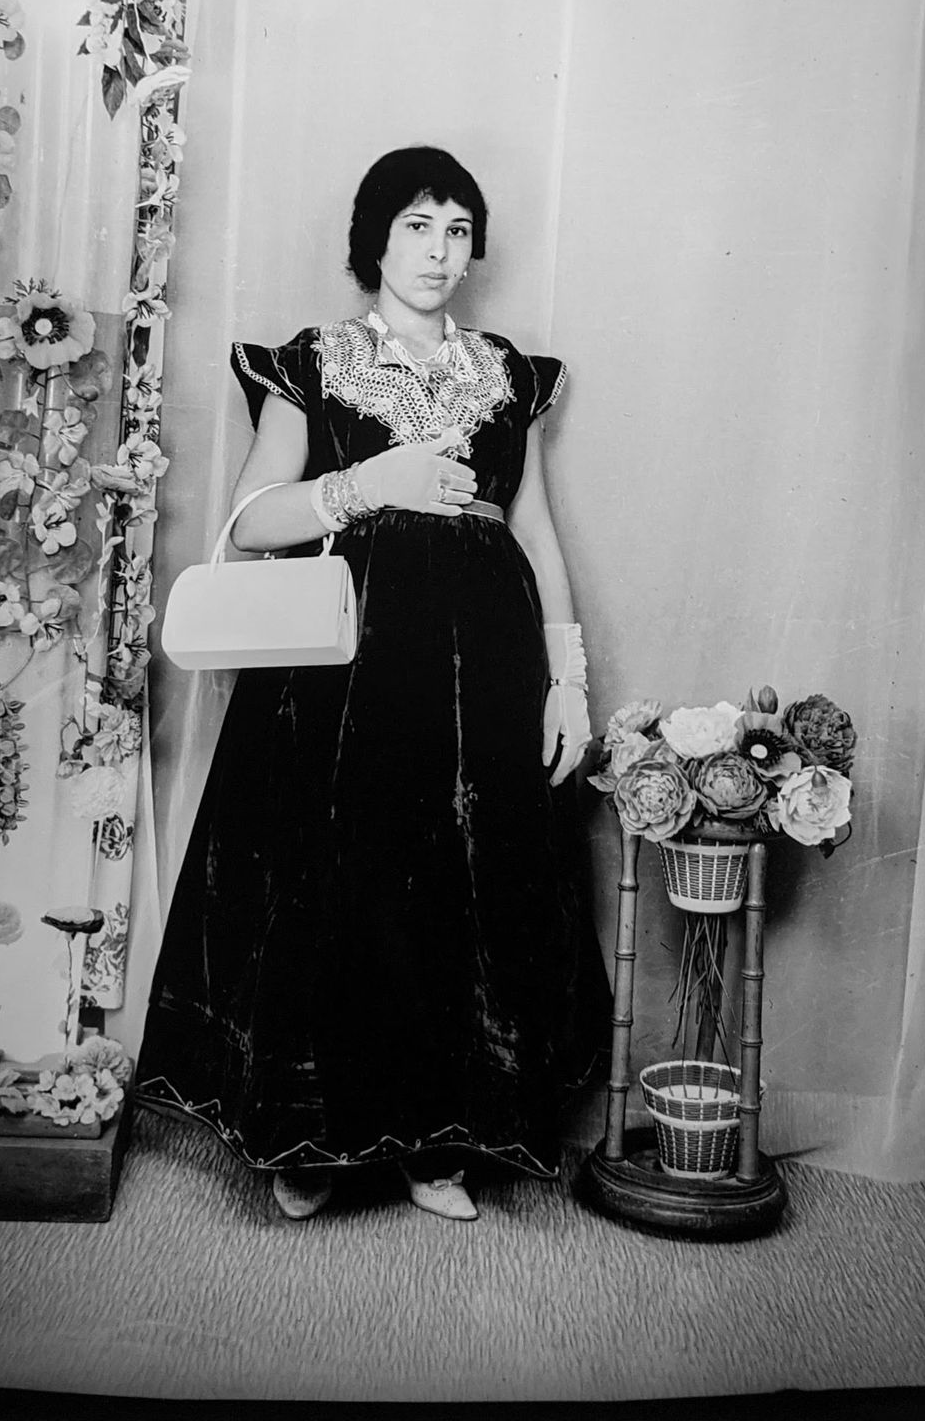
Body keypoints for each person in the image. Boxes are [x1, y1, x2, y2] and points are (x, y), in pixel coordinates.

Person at [137, 146, 611, 1222]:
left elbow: (533, 527)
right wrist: (361, 485)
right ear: (374, 240)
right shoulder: (317, 360)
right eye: (416, 227)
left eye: (456, 230)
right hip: (339, 681)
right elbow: (251, 520)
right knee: (338, 892)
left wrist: (567, 680)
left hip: (481, 679)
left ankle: (435, 1143)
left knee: (454, 896)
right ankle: (309, 1144)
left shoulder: (505, 374)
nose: (439, 252)